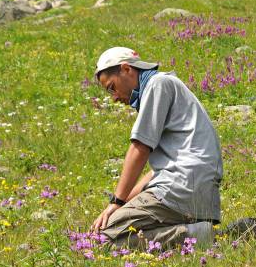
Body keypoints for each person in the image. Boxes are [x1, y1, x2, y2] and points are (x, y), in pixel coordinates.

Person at [89, 47, 223, 249]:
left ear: (126, 69)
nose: (114, 97)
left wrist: (115, 202)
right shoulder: (164, 87)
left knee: (103, 239)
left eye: (111, 88)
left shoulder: (158, 84)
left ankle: (194, 236)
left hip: (181, 186)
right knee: (109, 232)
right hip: (194, 188)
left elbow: (140, 148)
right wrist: (123, 204)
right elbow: (155, 172)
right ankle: (194, 232)